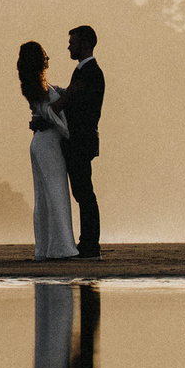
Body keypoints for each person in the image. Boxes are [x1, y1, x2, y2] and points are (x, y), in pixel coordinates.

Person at [18, 41, 78, 260]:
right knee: (56, 193)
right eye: (44, 55)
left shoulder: (37, 85)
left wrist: (66, 92)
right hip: (48, 143)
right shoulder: (36, 87)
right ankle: (61, 248)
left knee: (45, 196)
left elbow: (52, 100)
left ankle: (46, 248)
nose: (48, 58)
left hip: (42, 142)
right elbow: (51, 111)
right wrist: (70, 94)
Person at [61, 26, 106, 258]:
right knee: (83, 192)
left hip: (81, 140)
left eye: (73, 42)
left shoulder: (91, 73)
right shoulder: (85, 71)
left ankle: (89, 243)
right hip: (81, 140)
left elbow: (85, 111)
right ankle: (87, 241)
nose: (69, 46)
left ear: (85, 44)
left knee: (84, 193)